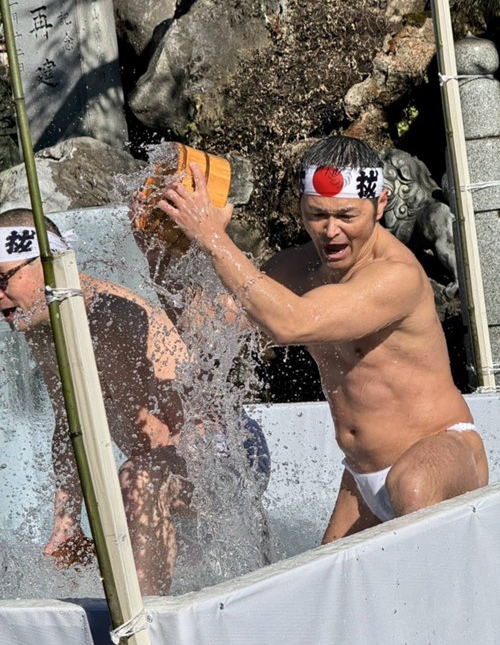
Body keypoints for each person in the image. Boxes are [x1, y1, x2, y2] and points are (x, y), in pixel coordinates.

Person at [152, 135, 489, 541]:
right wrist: (155, 246)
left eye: (347, 215)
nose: (331, 231)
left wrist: (214, 239)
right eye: (317, 215)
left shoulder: (395, 276)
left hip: (441, 452)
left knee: (412, 487)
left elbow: (290, 323)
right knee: (326, 572)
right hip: (362, 477)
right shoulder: (297, 268)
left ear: (380, 204)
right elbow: (202, 325)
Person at [0, 208, 270, 593]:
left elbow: (184, 422)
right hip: (165, 458)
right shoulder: (42, 325)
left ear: (47, 265)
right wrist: (66, 523)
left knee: (138, 478)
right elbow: (69, 425)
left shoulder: (111, 316)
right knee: (137, 481)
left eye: (3, 279)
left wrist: (148, 496)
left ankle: (146, 620)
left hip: (229, 448)